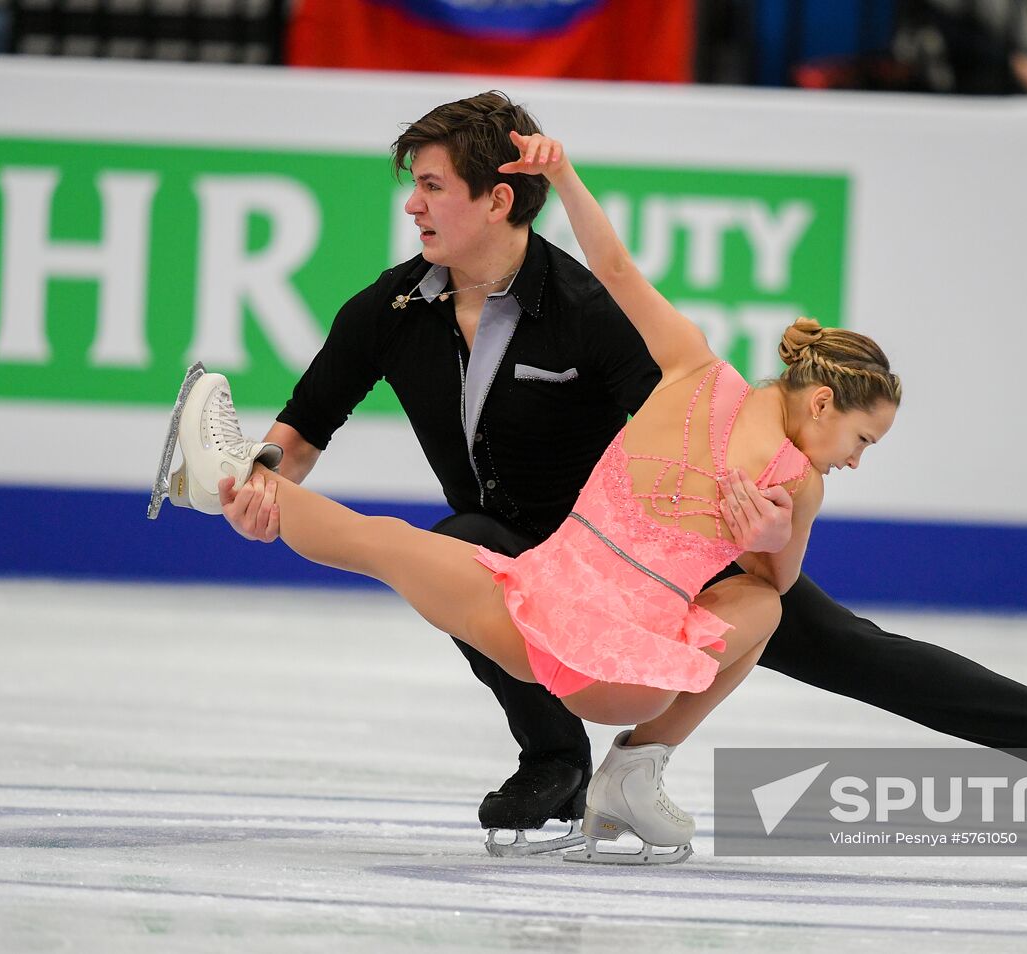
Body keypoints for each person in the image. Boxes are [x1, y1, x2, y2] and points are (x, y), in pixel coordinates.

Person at [211, 92, 1027, 853]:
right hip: (533, 548)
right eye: (414, 187)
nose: (414, 208)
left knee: (868, 657)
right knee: (456, 548)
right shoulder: (389, 309)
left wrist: (758, 530)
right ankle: (556, 761)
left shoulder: (583, 307)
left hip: (668, 553)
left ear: (498, 196)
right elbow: (301, 428)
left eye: (432, 186)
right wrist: (257, 473)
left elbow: (687, 421)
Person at [155, 126, 901, 865]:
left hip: (554, 615)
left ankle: (624, 769)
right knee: (399, 540)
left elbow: (611, 269)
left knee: (380, 543)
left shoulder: (694, 370)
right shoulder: (782, 465)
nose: (857, 463)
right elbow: (772, 588)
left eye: (432, 186)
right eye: (864, 441)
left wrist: (569, 177)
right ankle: (223, 477)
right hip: (600, 652)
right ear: (824, 404)